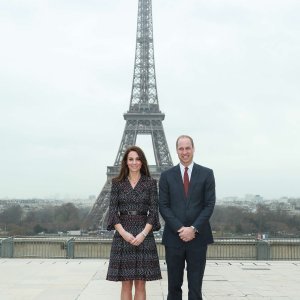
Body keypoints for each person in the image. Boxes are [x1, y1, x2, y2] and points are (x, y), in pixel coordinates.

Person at [159, 135, 216, 300]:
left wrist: (193, 228)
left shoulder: (207, 173)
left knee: (196, 289)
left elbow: (209, 205)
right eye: (181, 148)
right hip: (173, 238)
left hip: (198, 238)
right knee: (173, 289)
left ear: (193, 149)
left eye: (187, 148)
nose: (184, 152)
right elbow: (163, 206)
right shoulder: (166, 176)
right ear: (176, 150)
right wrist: (180, 228)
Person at [106, 145, 162, 300]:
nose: (134, 162)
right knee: (125, 284)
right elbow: (112, 211)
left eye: (137, 159)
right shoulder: (117, 183)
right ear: (126, 162)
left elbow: (153, 211)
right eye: (131, 159)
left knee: (140, 284)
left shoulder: (150, 183)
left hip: (144, 234)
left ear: (142, 162)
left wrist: (143, 234)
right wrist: (123, 233)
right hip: (123, 234)